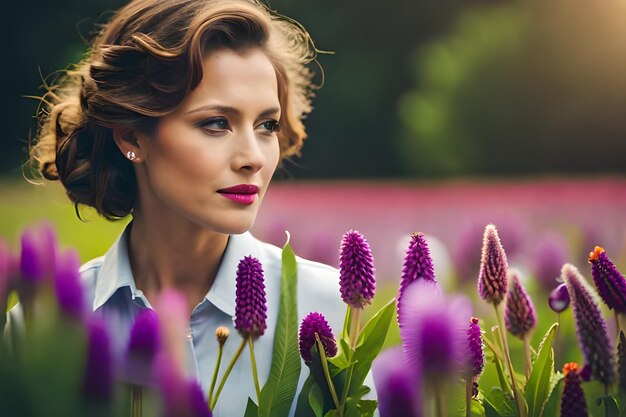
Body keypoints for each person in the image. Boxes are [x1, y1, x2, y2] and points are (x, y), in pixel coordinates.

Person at [25, 0, 353, 415]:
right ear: (131, 139)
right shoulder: (39, 329)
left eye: (267, 125)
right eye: (216, 123)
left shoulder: (330, 310)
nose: (252, 157)